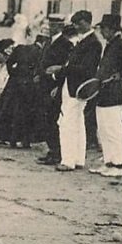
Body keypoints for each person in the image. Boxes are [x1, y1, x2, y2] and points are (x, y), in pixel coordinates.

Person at [89, 14, 122, 177]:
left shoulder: (119, 44)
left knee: (113, 129)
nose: (101, 32)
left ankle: (118, 165)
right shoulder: (111, 44)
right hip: (104, 93)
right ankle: (109, 162)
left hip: (113, 93)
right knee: (104, 129)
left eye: (103, 28)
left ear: (111, 29)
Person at [49, 10, 102, 172]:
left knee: (67, 123)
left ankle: (68, 160)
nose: (76, 27)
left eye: (78, 24)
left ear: (87, 22)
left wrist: (61, 69)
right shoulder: (84, 41)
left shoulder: (93, 43)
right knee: (78, 122)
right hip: (74, 86)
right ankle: (78, 158)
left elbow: (86, 68)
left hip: (77, 87)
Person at [0, 36, 45, 147]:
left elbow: (9, 62)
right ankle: (23, 140)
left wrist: (14, 74)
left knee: (8, 109)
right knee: (25, 112)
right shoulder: (41, 52)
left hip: (15, 83)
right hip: (29, 84)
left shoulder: (20, 48)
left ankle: (5, 137)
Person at [35, 19, 75, 165]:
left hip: (54, 85)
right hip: (44, 85)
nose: (50, 27)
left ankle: (57, 152)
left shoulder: (65, 44)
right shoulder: (48, 42)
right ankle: (52, 150)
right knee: (45, 118)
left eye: (53, 25)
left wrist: (58, 85)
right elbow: (43, 61)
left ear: (60, 27)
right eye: (49, 25)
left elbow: (64, 67)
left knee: (53, 118)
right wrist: (38, 74)